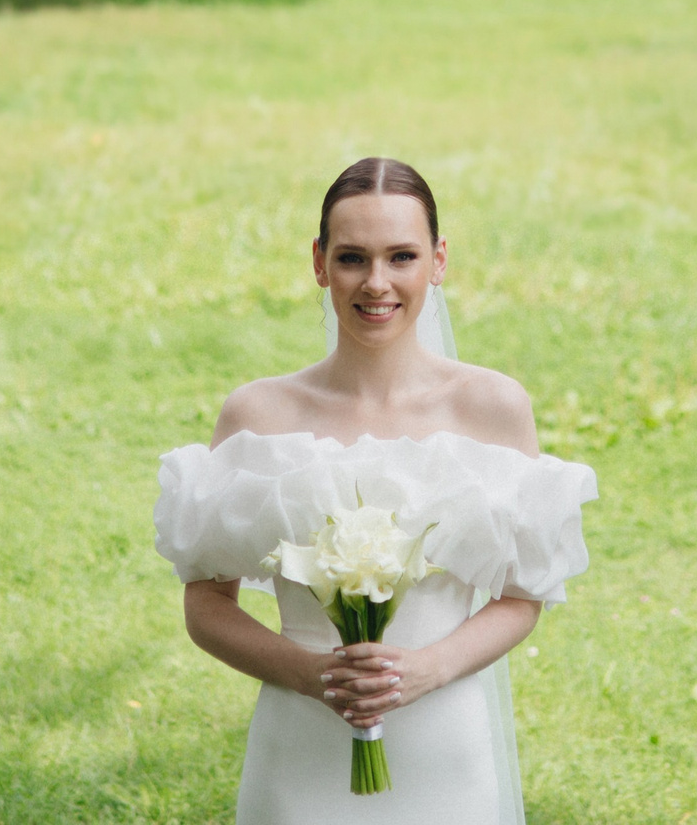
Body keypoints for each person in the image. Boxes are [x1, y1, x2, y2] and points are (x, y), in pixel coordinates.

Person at [153, 157, 597, 824]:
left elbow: (522, 595)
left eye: (402, 256)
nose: (377, 283)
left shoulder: (493, 408)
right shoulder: (259, 416)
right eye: (354, 257)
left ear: (438, 261)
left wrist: (429, 669)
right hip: (299, 745)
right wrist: (311, 676)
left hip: (443, 742)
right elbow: (206, 605)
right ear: (319, 262)